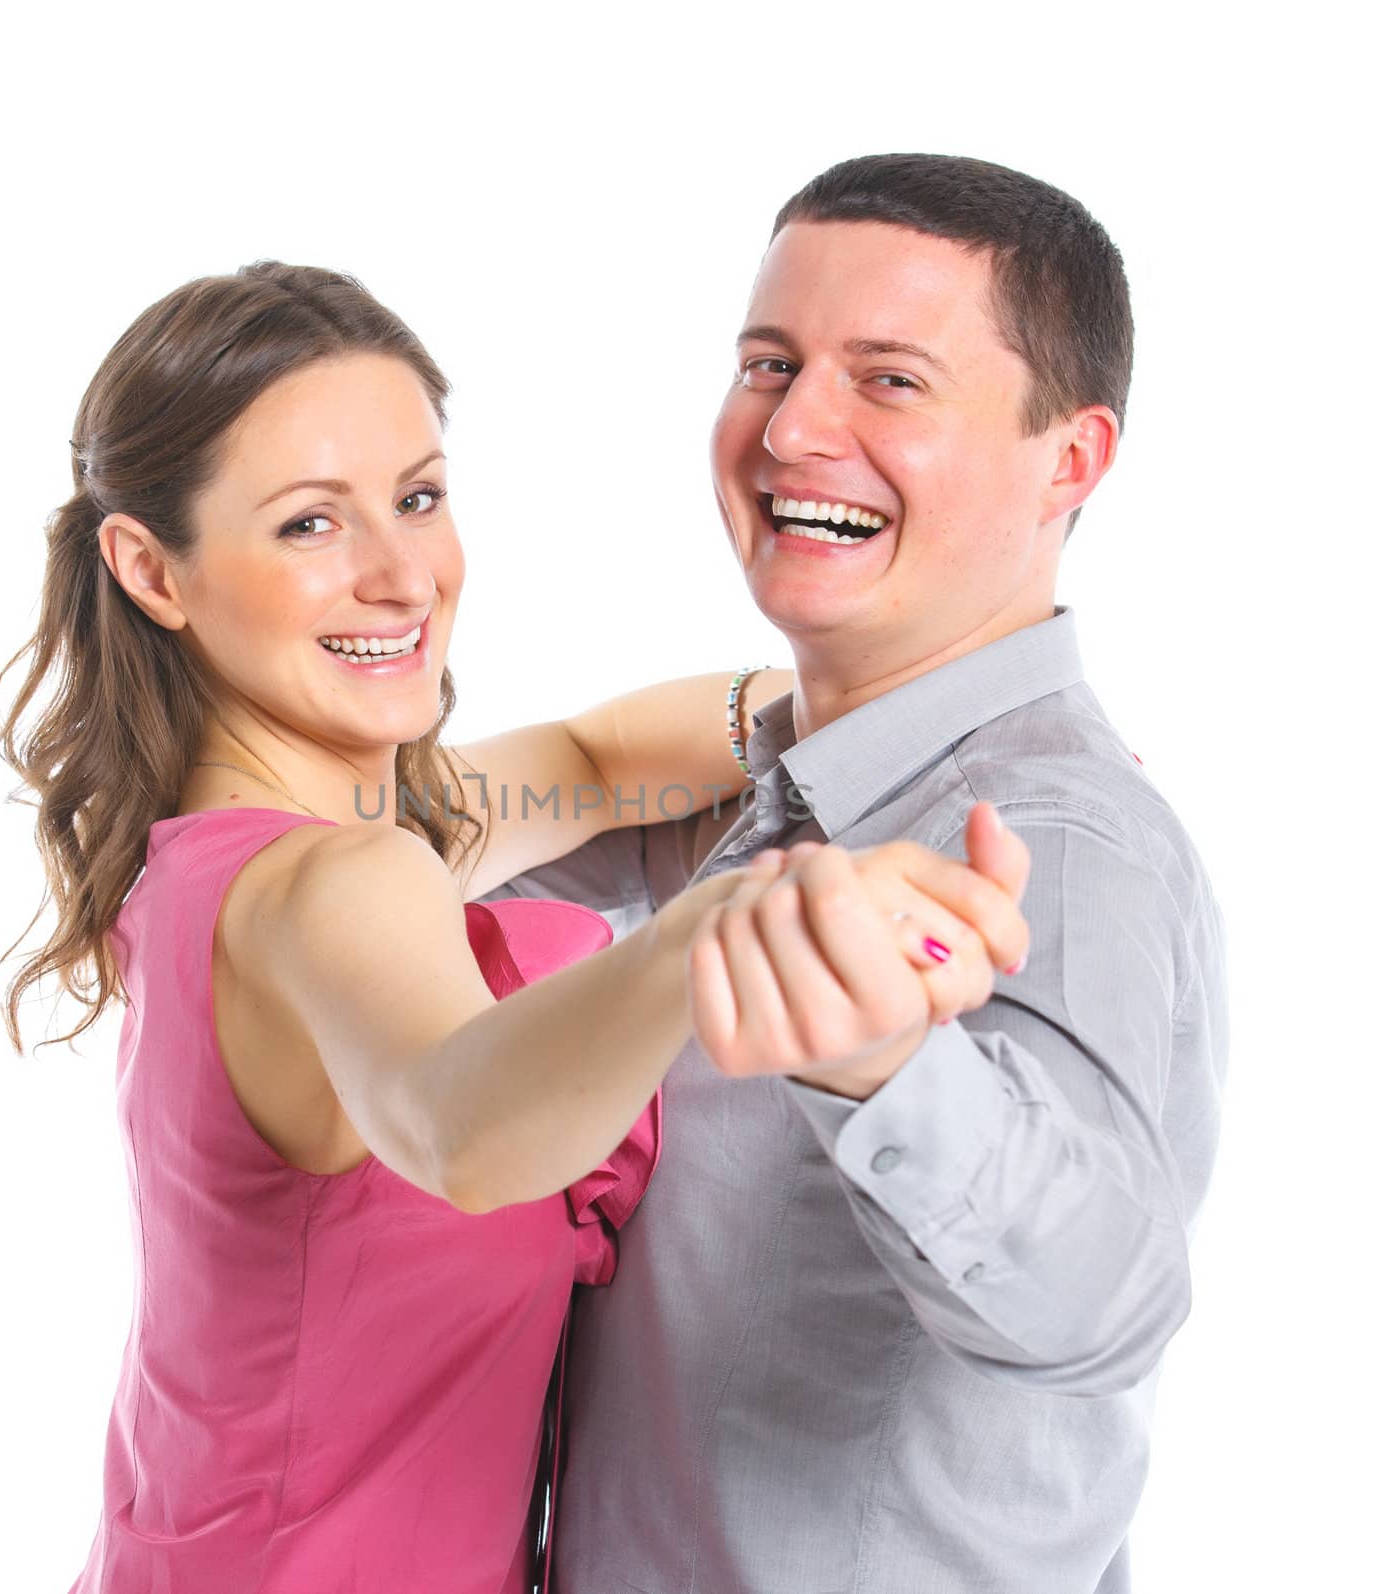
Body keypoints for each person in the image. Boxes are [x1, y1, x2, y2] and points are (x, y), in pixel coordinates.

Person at [0, 261, 1031, 1593]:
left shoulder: (275, 851)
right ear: (151, 568)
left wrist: (851, 700)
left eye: (419, 497)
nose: (402, 573)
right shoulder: (333, 888)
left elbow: (596, 761)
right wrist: (724, 924)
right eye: (312, 526)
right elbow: (463, 1125)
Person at [485, 154, 1229, 1593]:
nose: (795, 426)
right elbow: (415, 841)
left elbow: (1105, 1297)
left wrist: (887, 1061)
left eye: (889, 380)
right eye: (771, 362)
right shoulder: (758, 785)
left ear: (1068, 460)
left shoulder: (1064, 836)